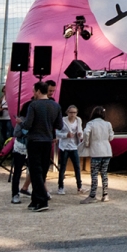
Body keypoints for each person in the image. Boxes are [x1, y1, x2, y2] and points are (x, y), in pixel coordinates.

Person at [22, 81, 61, 210]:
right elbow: (59, 125)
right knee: (42, 170)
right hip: (48, 141)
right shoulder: (56, 106)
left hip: (34, 140)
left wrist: (20, 123)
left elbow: (28, 125)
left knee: (35, 170)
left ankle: (41, 200)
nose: (33, 93)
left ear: (38, 91)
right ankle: (35, 200)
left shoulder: (33, 105)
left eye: (34, 91)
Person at [83, 106, 114, 199]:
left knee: (94, 173)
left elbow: (86, 133)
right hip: (107, 150)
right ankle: (105, 194)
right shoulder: (108, 124)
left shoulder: (91, 123)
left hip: (96, 151)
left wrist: (87, 142)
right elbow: (111, 137)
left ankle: (93, 194)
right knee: (104, 173)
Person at [56, 104, 85, 191]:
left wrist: (80, 135)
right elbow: (57, 133)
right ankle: (60, 187)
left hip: (74, 146)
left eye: (74, 112)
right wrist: (66, 135)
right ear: (67, 112)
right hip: (65, 147)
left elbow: (80, 131)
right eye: (71, 112)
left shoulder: (78, 120)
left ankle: (79, 186)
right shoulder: (62, 120)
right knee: (63, 167)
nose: (73, 114)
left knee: (77, 167)